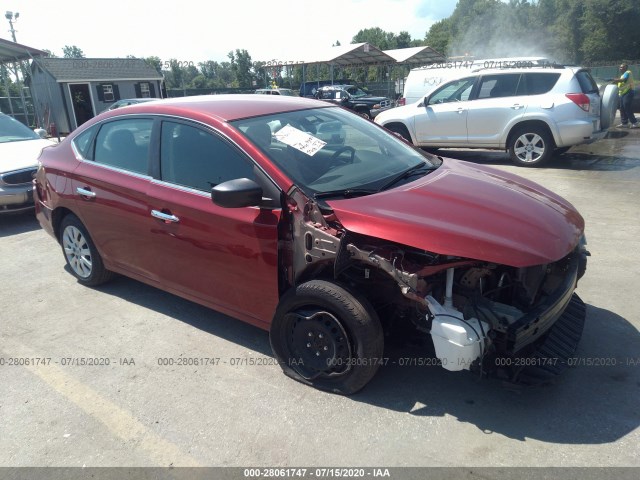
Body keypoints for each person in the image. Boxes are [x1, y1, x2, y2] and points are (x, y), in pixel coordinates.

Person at [611, 63, 637, 128]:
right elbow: (621, 83)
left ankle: (635, 122)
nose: (620, 68)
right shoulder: (622, 75)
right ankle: (624, 123)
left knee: (626, 107)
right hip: (622, 93)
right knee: (622, 108)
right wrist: (615, 82)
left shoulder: (628, 72)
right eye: (620, 67)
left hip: (628, 91)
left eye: (622, 67)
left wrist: (615, 80)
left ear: (626, 68)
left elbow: (624, 80)